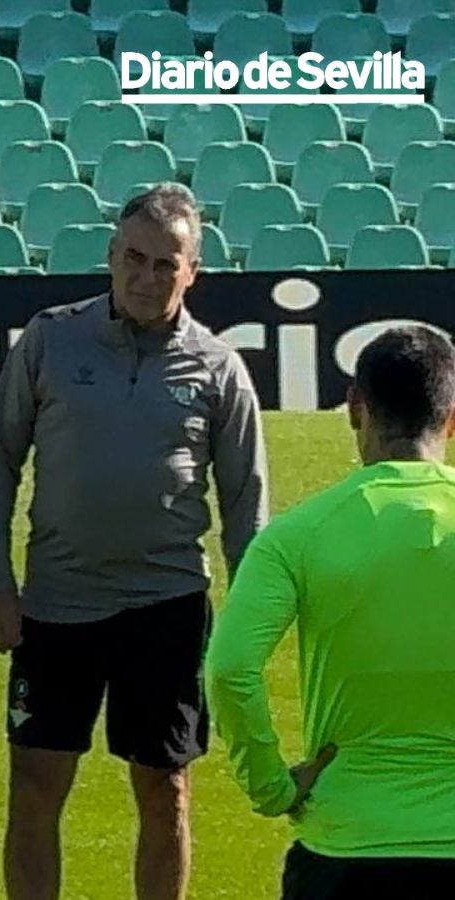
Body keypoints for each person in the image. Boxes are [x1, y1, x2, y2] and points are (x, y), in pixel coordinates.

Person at [0, 182, 269, 900]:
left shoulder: (218, 366)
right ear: (110, 256)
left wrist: (253, 622)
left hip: (165, 607)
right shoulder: (51, 337)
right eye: (134, 258)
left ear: (192, 271)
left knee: (166, 790)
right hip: (56, 604)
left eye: (166, 264)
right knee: (35, 787)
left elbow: (245, 503)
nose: (146, 277)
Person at [206, 325, 455, 900]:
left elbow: (229, 668)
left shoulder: (299, 533)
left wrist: (270, 787)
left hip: (346, 849)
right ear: (450, 418)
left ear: (354, 408)